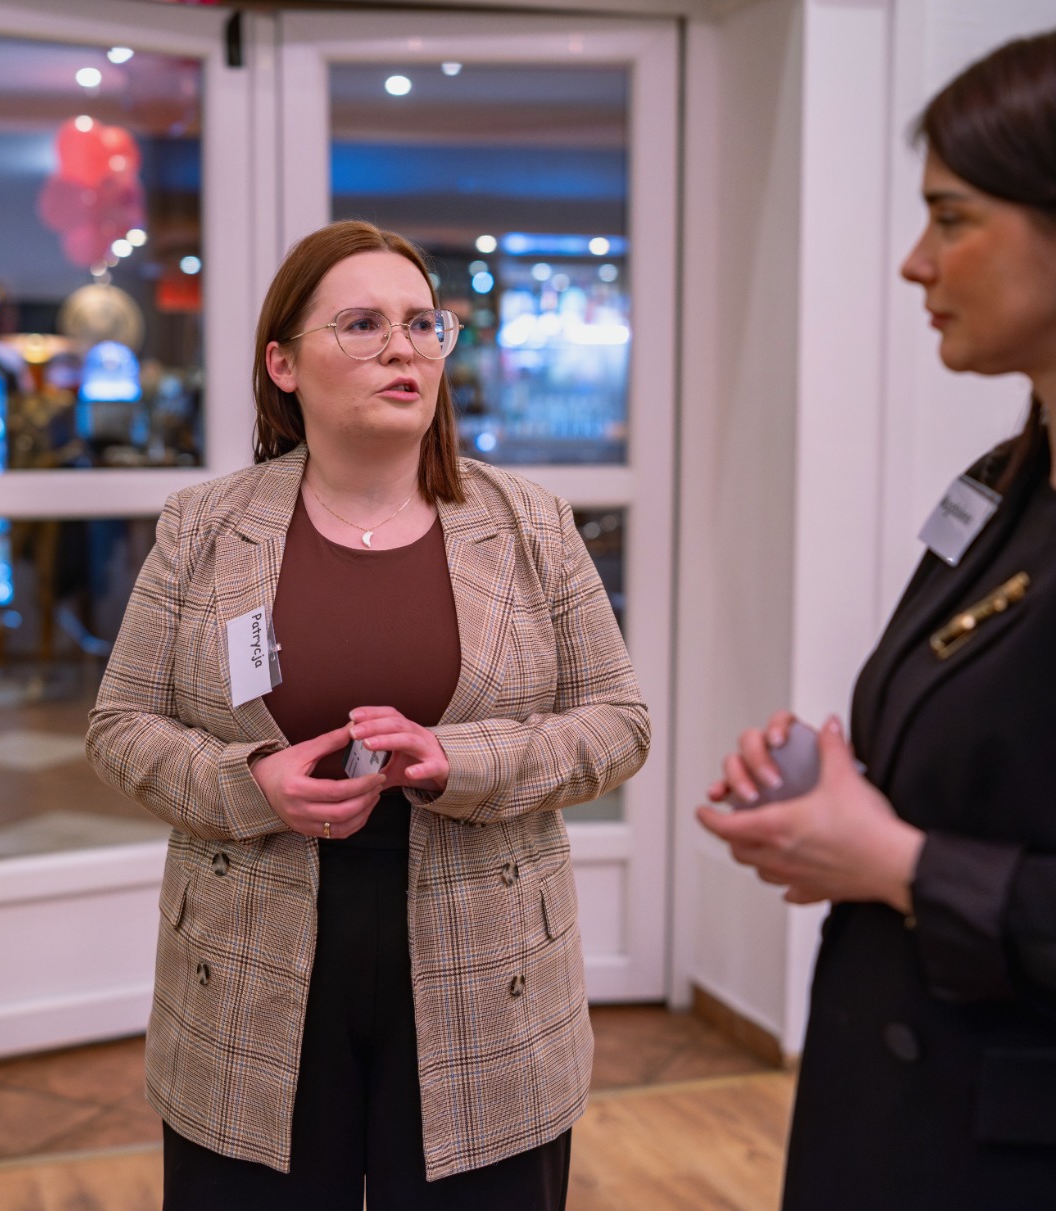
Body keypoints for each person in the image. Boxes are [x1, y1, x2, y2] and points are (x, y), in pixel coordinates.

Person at [698, 16, 1056, 1209]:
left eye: (953, 218)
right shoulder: (1002, 483)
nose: (916, 263)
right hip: (902, 1121)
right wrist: (833, 795)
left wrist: (898, 860)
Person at [86, 219, 649, 1209]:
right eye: (362, 324)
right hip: (248, 970)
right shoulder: (203, 526)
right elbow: (121, 724)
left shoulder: (531, 524)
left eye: (423, 323)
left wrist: (463, 760)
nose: (404, 347)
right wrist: (248, 782)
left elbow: (618, 720)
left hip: (490, 975)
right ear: (283, 364)